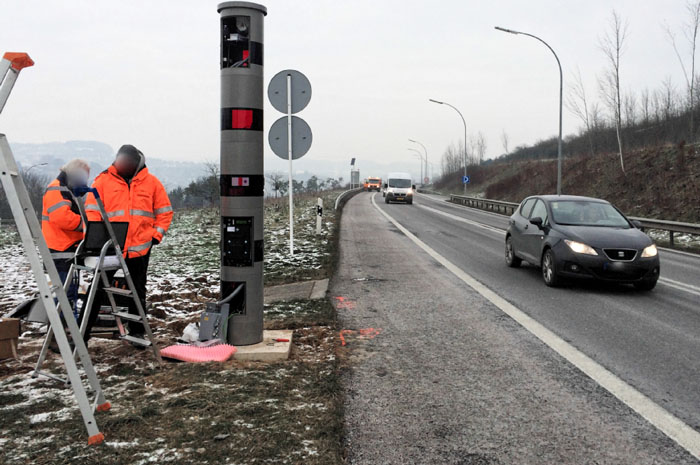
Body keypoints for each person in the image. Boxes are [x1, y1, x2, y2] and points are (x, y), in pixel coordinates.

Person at [83, 145, 173, 346]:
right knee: (97, 290)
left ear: (137, 163)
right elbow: (92, 211)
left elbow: (165, 212)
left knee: (137, 291)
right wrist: (100, 239)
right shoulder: (103, 181)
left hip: (140, 248)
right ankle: (83, 333)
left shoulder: (152, 183)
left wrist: (155, 237)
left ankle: (137, 333)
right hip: (109, 249)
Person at [41, 159, 90, 319]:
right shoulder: (57, 190)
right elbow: (62, 218)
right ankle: (62, 332)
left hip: (68, 251)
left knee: (69, 293)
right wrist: (86, 225)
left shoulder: (66, 189)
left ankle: (65, 330)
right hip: (60, 251)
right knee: (64, 294)